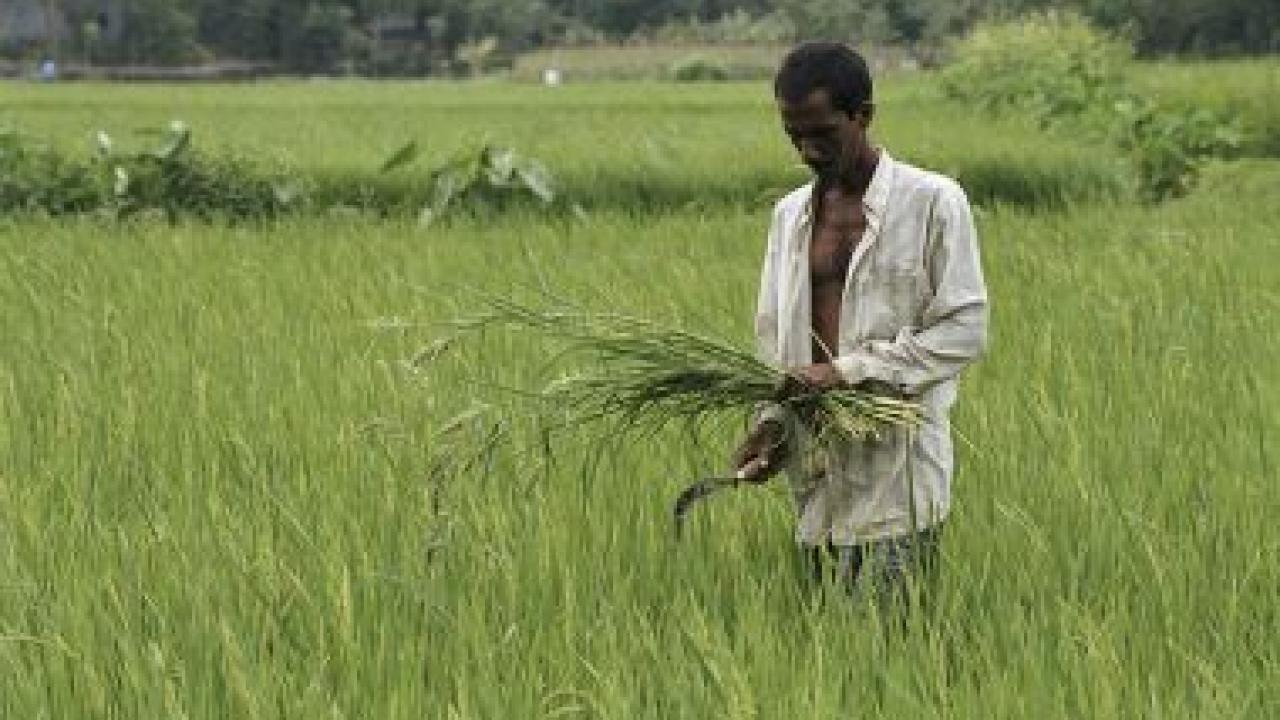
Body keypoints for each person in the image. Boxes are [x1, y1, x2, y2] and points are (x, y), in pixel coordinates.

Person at [731, 42, 989, 606]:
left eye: (823, 133)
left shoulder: (932, 202)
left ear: (863, 114)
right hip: (815, 476)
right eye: (794, 133)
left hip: (897, 473)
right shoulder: (790, 216)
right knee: (826, 657)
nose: (807, 149)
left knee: (894, 651)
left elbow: (964, 330)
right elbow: (775, 338)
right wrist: (772, 424)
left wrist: (847, 373)